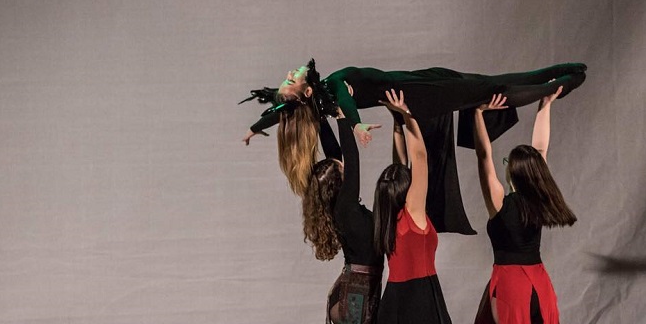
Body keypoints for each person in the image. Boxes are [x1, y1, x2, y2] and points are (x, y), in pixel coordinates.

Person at [242, 59, 588, 234]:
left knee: (484, 85)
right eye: (290, 80)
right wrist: (356, 124)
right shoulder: (333, 89)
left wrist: (255, 128)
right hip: (419, 96)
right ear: (305, 91)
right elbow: (343, 101)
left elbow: (279, 110)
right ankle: (558, 83)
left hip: (416, 82)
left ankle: (559, 77)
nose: (290, 73)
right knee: (489, 88)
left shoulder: (318, 95)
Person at [452, 89, 576, 324]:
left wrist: (477, 114)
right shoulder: (537, 198)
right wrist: (545, 106)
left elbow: (484, 156)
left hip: (510, 284)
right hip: (539, 283)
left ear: (513, 171)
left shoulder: (499, 201)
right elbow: (541, 149)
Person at [372, 91, 468, 324]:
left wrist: (397, 125)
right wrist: (408, 115)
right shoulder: (413, 212)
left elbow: (401, 165)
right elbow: (420, 159)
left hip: (392, 300)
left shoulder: (387, 216)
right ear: (407, 189)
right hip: (420, 296)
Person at [304, 110, 384, 324]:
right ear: (340, 182)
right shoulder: (347, 207)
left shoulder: (342, 206)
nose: (344, 167)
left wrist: (320, 116)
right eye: (341, 170)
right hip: (356, 295)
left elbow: (335, 154)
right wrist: (343, 119)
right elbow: (350, 158)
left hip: (354, 290)